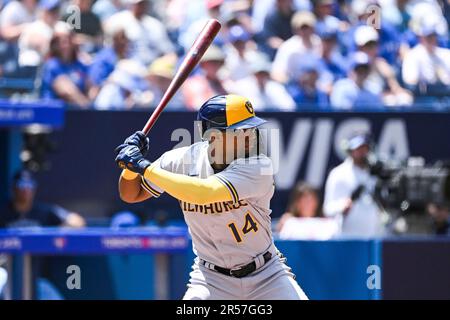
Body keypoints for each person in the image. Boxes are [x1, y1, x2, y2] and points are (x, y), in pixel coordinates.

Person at [114, 94, 308, 300]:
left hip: (266, 276)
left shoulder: (259, 166)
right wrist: (130, 167)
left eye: (252, 129)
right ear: (214, 136)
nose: (251, 135)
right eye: (242, 130)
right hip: (211, 280)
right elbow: (131, 194)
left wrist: (143, 166)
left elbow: (205, 193)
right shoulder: (181, 160)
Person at [323, 133, 384, 238]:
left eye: (365, 148)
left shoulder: (377, 175)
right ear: (350, 150)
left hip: (373, 238)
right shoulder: (338, 173)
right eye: (358, 148)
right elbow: (327, 209)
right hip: (347, 237)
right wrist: (342, 206)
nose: (362, 152)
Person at [0, 170, 86, 228]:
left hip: (38, 255)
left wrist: (59, 232)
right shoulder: (3, 212)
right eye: (21, 184)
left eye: (30, 185)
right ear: (14, 188)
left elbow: (77, 221)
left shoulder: (45, 211)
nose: (26, 189)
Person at [354, 25, 413, 106]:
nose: (371, 48)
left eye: (373, 45)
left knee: (403, 99)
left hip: (378, 101)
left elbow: (395, 87)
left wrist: (399, 92)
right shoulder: (354, 64)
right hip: (360, 101)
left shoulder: (381, 64)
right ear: (360, 47)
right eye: (367, 46)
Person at [104, 0, 175, 66]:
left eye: (143, 3)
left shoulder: (155, 24)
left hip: (152, 68)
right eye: (137, 4)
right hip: (127, 66)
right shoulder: (117, 21)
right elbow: (110, 49)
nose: (140, 6)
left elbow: (168, 52)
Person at [40, 22, 92, 107]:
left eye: (68, 40)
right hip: (54, 111)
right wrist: (86, 106)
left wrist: (92, 97)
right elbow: (64, 88)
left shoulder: (80, 65)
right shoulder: (51, 65)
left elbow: (90, 86)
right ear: (54, 44)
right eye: (60, 41)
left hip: (77, 113)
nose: (65, 45)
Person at [229, 52, 296, 111]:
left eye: (264, 73)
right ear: (253, 73)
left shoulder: (276, 88)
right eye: (259, 73)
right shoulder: (241, 87)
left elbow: (290, 107)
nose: (261, 76)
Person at [271, 10, 322, 83]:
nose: (305, 31)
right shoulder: (288, 46)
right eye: (302, 28)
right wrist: (292, 82)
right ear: (296, 29)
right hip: (295, 87)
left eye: (308, 27)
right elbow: (276, 73)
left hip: (316, 86)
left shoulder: (318, 42)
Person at [402, 20, 450, 97]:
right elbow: (411, 83)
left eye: (433, 36)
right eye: (428, 37)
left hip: (446, 95)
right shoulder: (413, 55)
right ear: (421, 38)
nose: (432, 40)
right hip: (424, 97)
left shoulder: (446, 54)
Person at [182, 45, 231, 110]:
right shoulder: (193, 83)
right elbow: (196, 107)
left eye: (218, 62)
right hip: (198, 119)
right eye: (211, 62)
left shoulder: (224, 83)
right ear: (203, 64)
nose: (215, 65)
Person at [17, 0, 61, 67]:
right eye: (50, 11)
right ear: (42, 11)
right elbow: (45, 47)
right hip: (29, 68)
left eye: (56, 10)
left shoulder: (61, 27)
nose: (54, 14)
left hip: (49, 68)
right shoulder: (34, 27)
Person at [88, 27, 129, 97]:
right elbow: (95, 81)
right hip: (104, 94)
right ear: (114, 39)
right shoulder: (104, 57)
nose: (124, 42)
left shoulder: (125, 56)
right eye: (121, 38)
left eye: (125, 38)